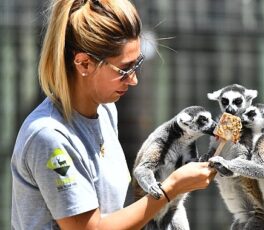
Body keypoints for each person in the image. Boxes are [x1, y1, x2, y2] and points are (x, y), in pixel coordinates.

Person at [10, 0, 217, 229]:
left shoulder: (106, 110)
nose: (134, 79)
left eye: (137, 64)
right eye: (125, 70)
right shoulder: (49, 136)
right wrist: (171, 188)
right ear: (84, 64)